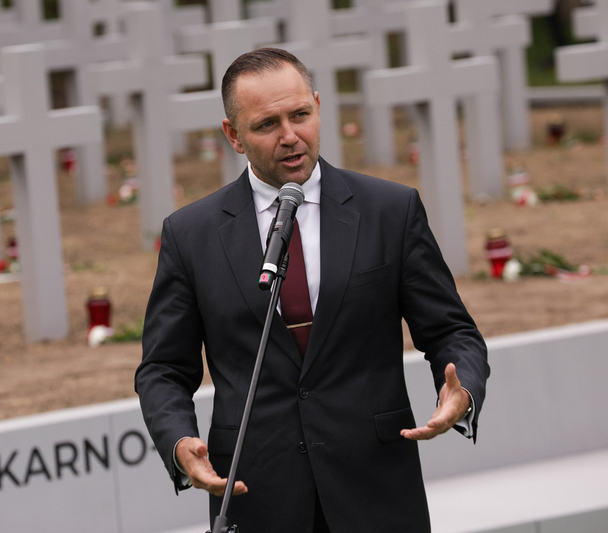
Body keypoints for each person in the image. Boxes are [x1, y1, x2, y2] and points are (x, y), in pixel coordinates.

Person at [135, 48, 489, 532]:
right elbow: (162, 369)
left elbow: (451, 330)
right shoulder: (190, 235)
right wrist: (179, 443)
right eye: (266, 125)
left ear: (318, 106)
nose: (290, 136)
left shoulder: (390, 210)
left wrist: (461, 390)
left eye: (300, 115)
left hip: (377, 489)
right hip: (257, 493)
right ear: (233, 135)